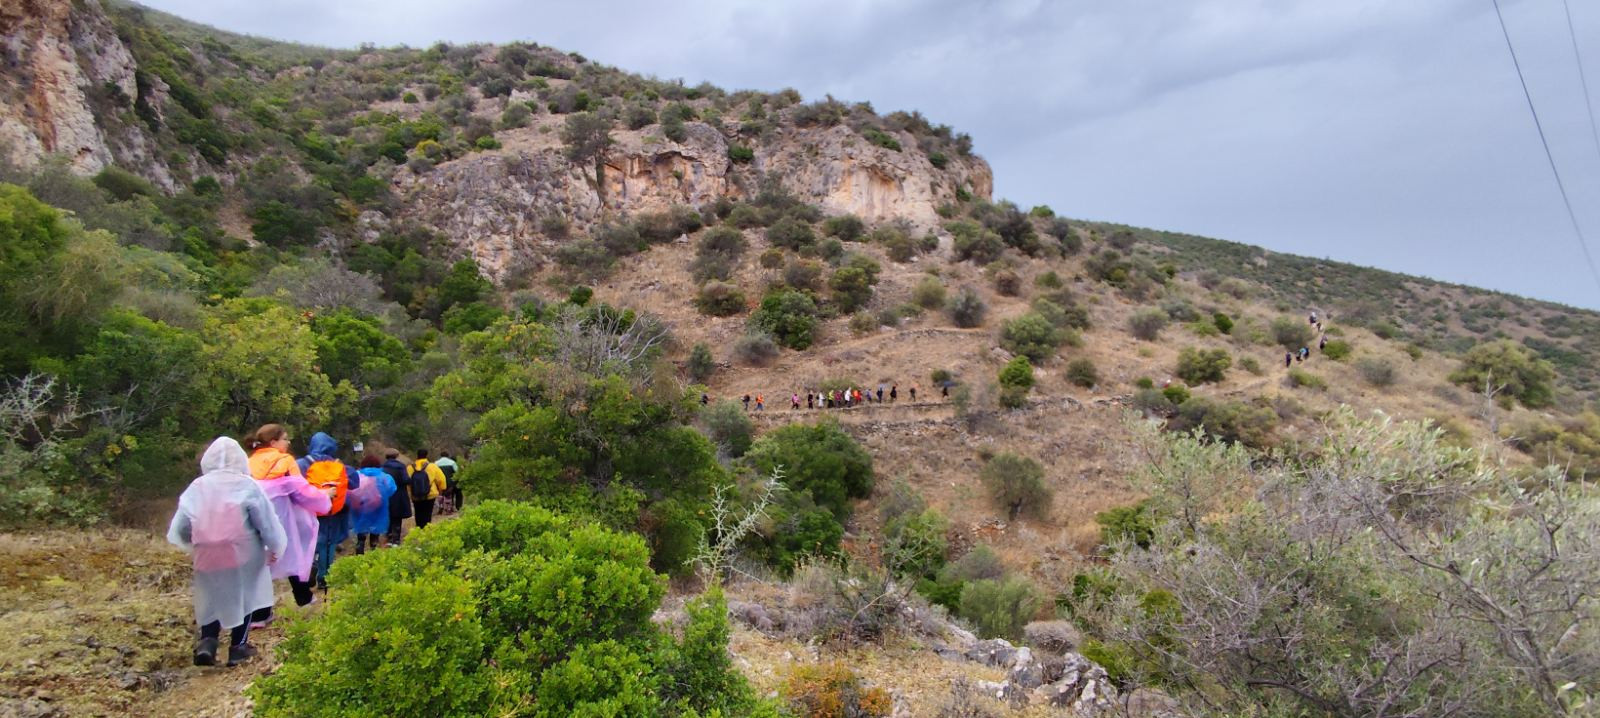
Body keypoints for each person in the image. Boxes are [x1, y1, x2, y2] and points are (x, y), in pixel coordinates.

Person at [169, 437, 286, 667]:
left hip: (206, 553)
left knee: (212, 594)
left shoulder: (197, 487)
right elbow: (265, 523)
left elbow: (181, 527)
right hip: (242, 551)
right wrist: (274, 546)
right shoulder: (247, 485)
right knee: (245, 595)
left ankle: (208, 642)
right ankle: (238, 647)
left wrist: (196, 543)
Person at [247, 424, 328, 610]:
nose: (288, 442)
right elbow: (301, 491)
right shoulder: (285, 460)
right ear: (273, 442)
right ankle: (303, 598)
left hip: (253, 516)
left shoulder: (248, 462)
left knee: (259, 559)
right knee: (294, 553)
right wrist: (323, 497)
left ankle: (260, 610)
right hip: (283, 516)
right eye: (285, 438)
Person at [297, 432, 358, 592]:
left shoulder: (301, 464)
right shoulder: (338, 464)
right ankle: (324, 577)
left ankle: (310, 566)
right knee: (328, 543)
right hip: (332, 510)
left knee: (308, 541)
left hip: (308, 510)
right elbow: (354, 483)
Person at [349, 456, 396, 554]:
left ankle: (360, 552)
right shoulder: (384, 476)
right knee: (375, 530)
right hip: (377, 507)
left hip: (360, 507)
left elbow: (350, 489)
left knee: (361, 531)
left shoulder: (357, 475)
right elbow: (392, 489)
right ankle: (373, 552)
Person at [409, 449, 449, 530]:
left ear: (417, 455)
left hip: (415, 495)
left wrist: (410, 493)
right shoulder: (432, 466)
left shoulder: (410, 467)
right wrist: (442, 489)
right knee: (427, 513)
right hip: (430, 494)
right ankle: (426, 530)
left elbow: (408, 482)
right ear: (426, 455)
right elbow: (441, 479)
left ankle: (419, 529)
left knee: (418, 513)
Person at [380, 450, 412, 547]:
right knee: (397, 518)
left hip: (386, 495)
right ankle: (396, 540)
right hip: (399, 494)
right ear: (397, 456)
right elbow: (405, 480)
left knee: (388, 516)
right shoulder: (400, 466)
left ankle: (388, 537)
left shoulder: (382, 467)